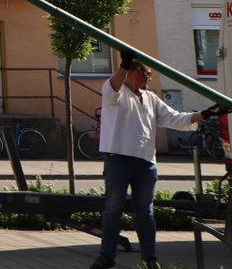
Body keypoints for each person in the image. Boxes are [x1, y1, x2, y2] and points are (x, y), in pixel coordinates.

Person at [89, 50, 212, 269]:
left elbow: (174, 118)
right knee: (114, 208)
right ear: (136, 71)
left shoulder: (149, 97)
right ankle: (107, 255)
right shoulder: (116, 92)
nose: (150, 78)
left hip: (146, 161)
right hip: (118, 158)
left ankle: (150, 258)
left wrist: (205, 114)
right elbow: (113, 87)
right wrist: (124, 65)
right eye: (148, 73)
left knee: (145, 211)